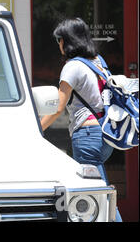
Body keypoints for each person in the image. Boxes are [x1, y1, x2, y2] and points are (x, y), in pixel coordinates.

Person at [40, 17, 122, 222]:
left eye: (60, 39)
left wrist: (37, 128)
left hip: (86, 136)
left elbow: (58, 107)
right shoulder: (99, 62)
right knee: (98, 195)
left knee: (97, 197)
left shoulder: (72, 66)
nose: (58, 44)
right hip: (104, 136)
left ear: (67, 41)